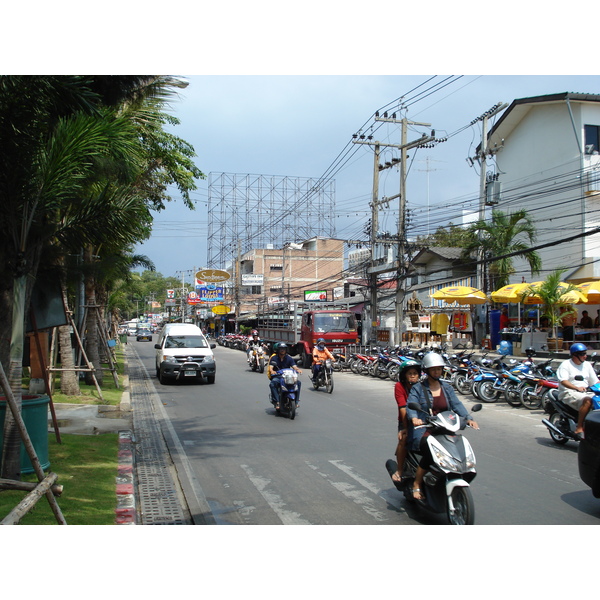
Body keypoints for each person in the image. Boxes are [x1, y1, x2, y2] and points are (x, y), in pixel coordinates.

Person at [406, 352, 479, 501]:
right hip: (425, 429)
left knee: (457, 448)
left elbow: (456, 404)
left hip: (445, 427)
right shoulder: (418, 388)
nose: (437, 372)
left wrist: (469, 418)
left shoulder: (446, 387)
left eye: (439, 369)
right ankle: (417, 483)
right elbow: (411, 406)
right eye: (433, 369)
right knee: (430, 452)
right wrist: (414, 418)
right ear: (426, 371)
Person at [556, 343, 599, 437]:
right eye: (582, 354)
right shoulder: (566, 365)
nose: (585, 356)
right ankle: (579, 428)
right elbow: (563, 381)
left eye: (585, 353)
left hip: (586, 392)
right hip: (569, 392)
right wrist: (576, 387)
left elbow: (595, 382)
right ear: (575, 355)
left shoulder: (587, 365)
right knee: (588, 401)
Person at [391, 360, 422, 485]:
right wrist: (406, 427)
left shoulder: (422, 387)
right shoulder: (400, 386)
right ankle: (399, 470)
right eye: (410, 373)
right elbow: (403, 408)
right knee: (403, 439)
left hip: (422, 421)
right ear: (404, 375)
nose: (413, 375)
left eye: (415, 373)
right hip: (406, 421)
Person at [268, 342, 302, 409]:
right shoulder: (274, 358)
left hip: (288, 376)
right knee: (272, 383)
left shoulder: (289, 358)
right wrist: (272, 371)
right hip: (278, 376)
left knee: (298, 383)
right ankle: (277, 401)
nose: (282, 350)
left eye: (284, 349)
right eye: (281, 349)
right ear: (278, 350)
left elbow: (294, 366)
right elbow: (270, 367)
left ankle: (296, 401)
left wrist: (298, 369)